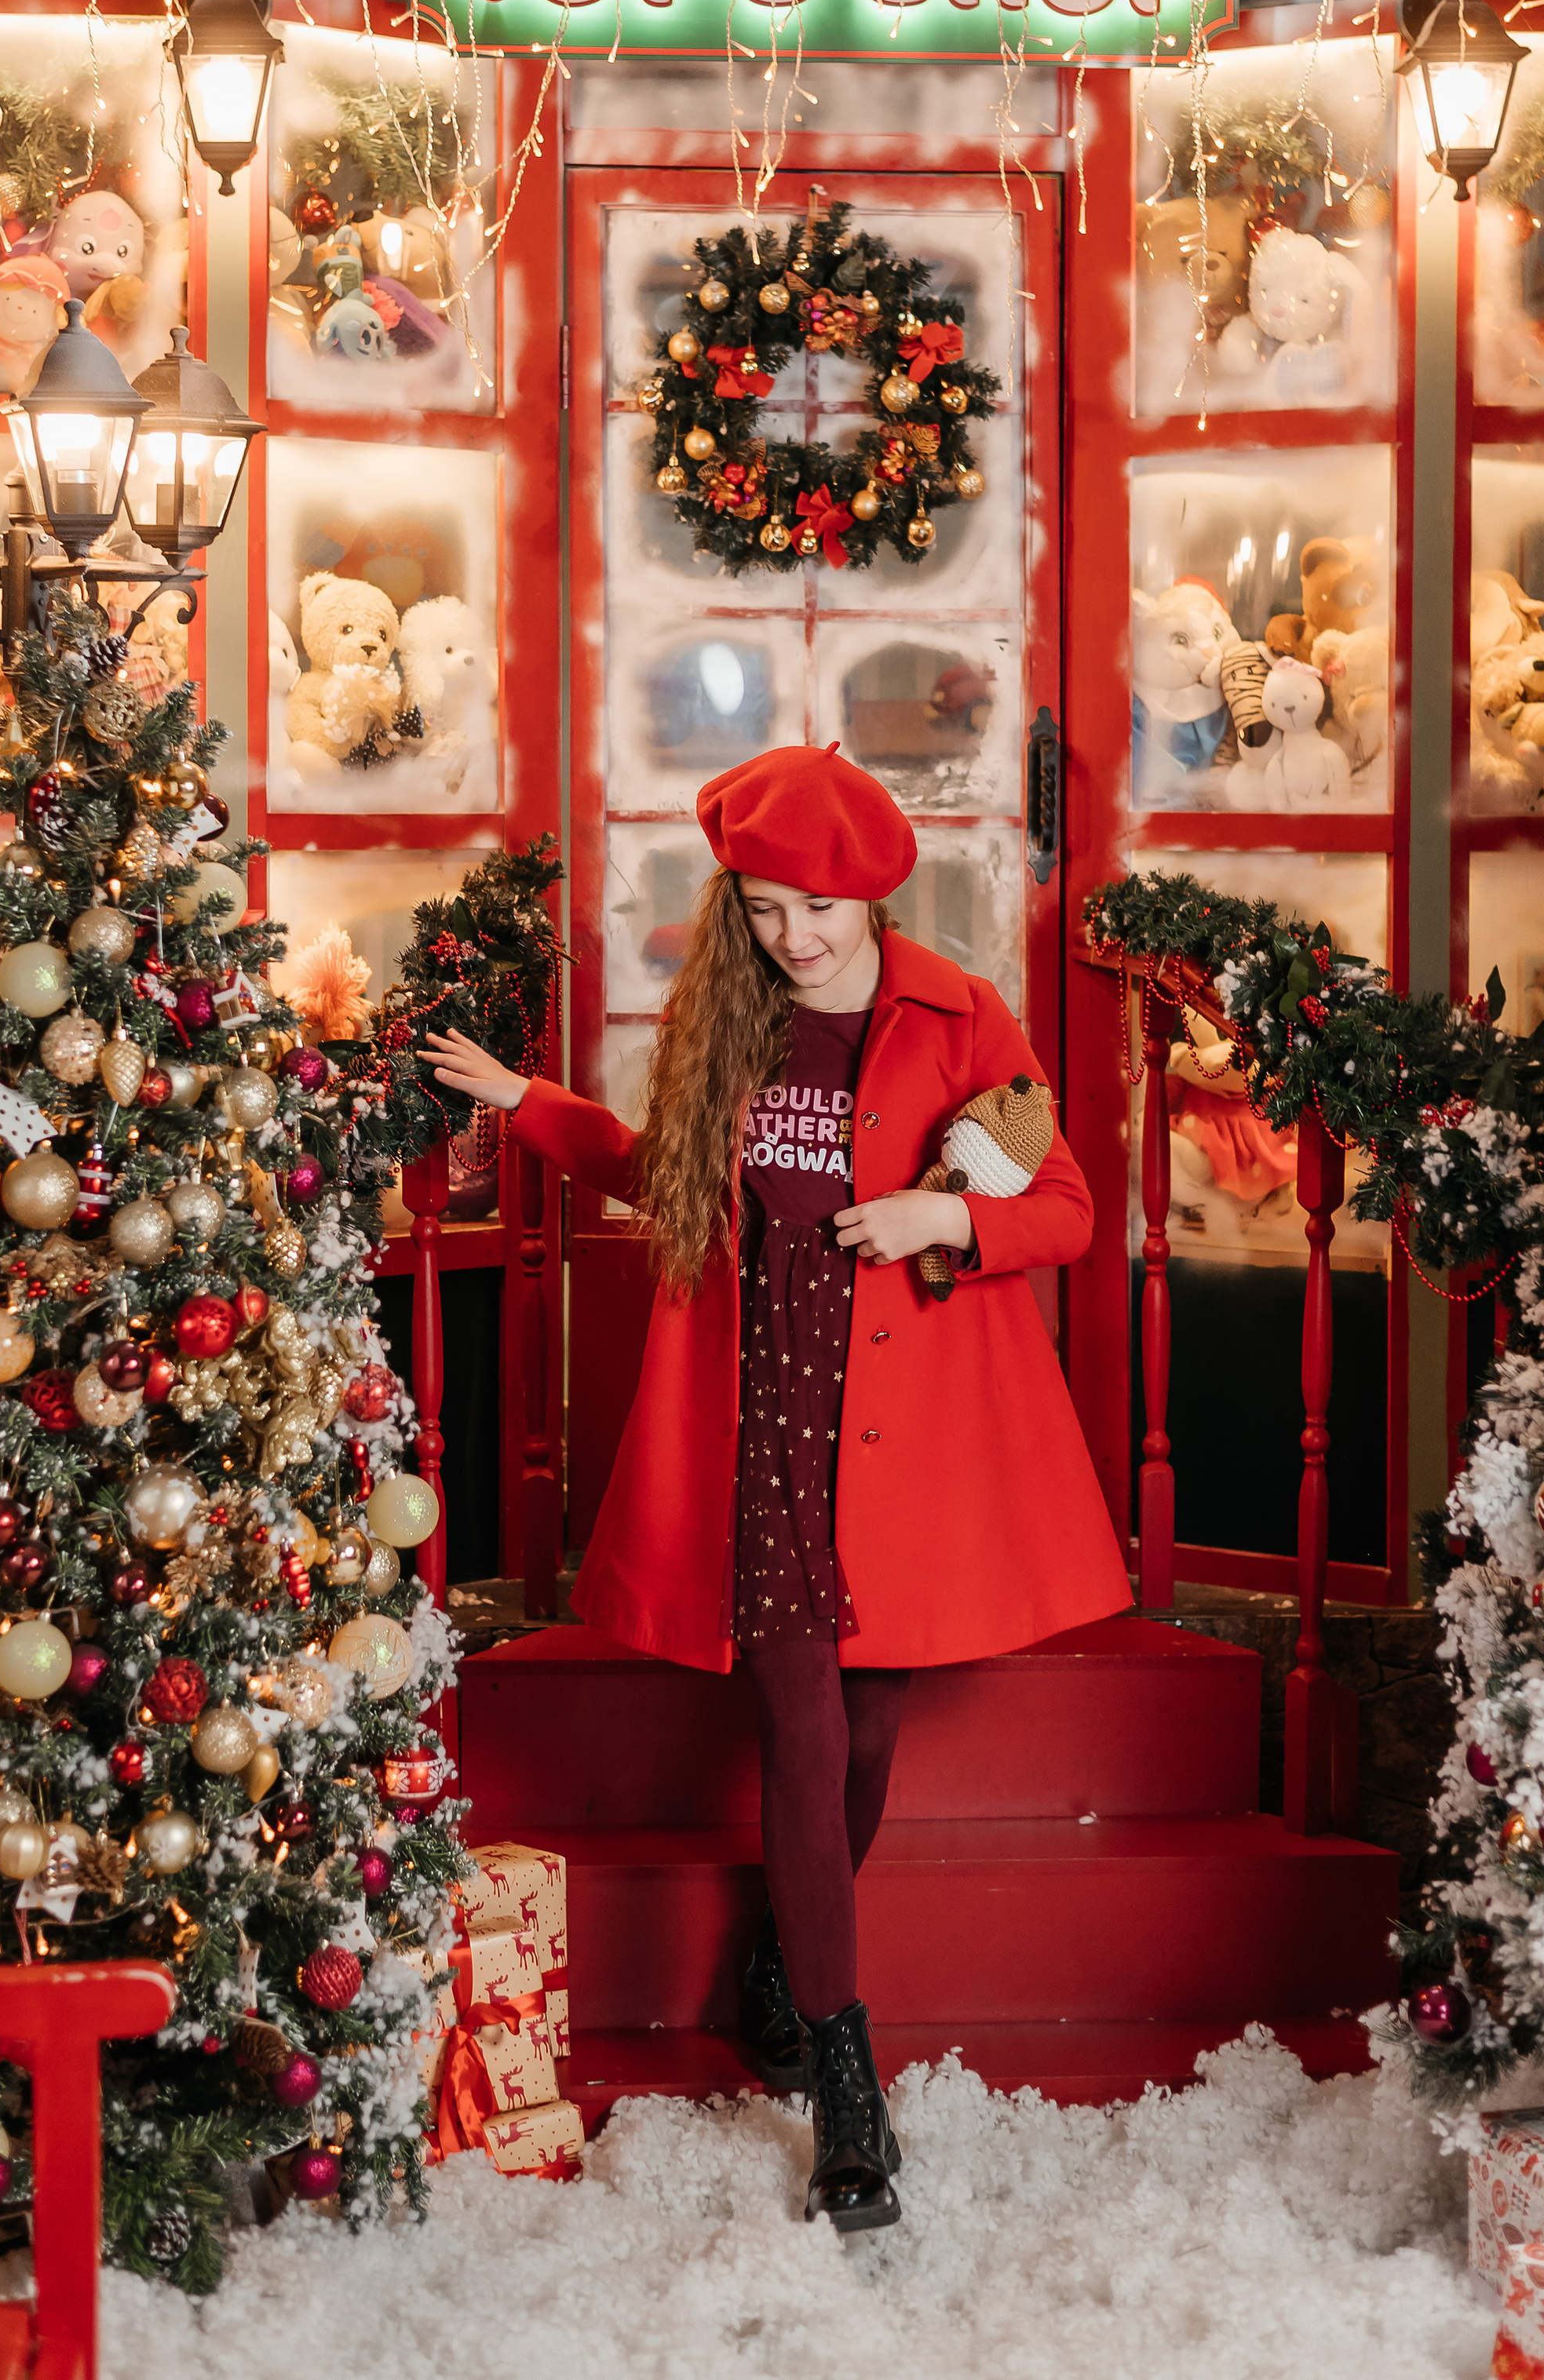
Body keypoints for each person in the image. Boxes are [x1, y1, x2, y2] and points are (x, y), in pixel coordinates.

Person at [419, 742, 1128, 2233]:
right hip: (761, 1420)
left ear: (875, 891)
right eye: (762, 908)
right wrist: (527, 1100)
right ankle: (850, 2087)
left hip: (902, 1429)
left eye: (818, 907)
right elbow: (655, 1170)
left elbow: (1063, 1206)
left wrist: (947, 1207)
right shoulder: (726, 1022)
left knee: (867, 1738)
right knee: (804, 1736)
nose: (794, 935)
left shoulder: (959, 1014)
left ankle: (775, 1960)